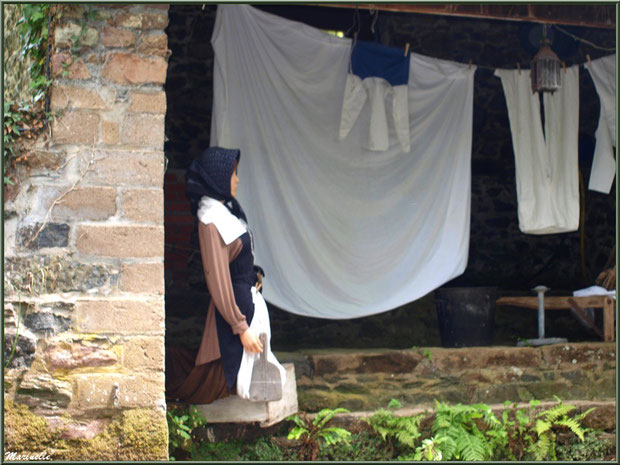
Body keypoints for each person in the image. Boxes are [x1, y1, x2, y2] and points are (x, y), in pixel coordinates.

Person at [166, 146, 267, 404]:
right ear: (218, 179)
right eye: (233, 175)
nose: (237, 180)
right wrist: (240, 327)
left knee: (239, 376)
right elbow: (218, 280)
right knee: (208, 383)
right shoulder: (211, 221)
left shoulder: (226, 212)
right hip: (231, 317)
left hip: (244, 304)